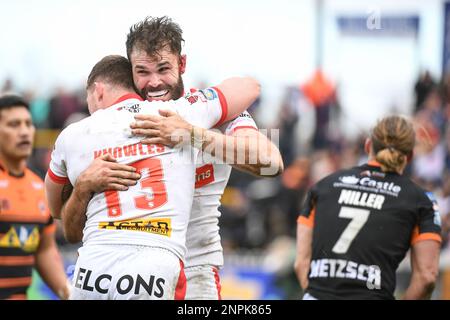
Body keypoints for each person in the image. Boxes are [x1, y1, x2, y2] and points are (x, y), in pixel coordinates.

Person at [44, 55, 259, 299]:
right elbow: (250, 87)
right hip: (160, 263)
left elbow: (55, 210)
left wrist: (82, 186)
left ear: (98, 91)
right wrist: (191, 132)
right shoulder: (177, 112)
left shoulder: (73, 134)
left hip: (94, 266)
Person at [125, 16, 283, 299]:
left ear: (182, 64)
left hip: (196, 270)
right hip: (134, 270)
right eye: (143, 72)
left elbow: (272, 162)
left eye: (163, 68)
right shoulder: (121, 117)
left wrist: (191, 133)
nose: (155, 82)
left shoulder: (214, 111)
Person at [295, 115, 442, 300]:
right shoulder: (422, 201)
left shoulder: (323, 186)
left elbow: (301, 263)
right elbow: (426, 277)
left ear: (367, 145)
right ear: (410, 156)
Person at [0, 95, 69, 300]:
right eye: (13, 124)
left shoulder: (39, 187)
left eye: (28, 124)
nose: (23, 131)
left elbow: (45, 250)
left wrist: (69, 293)